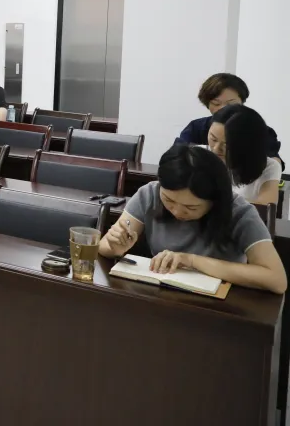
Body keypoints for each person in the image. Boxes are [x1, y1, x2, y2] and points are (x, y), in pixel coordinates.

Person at [99, 143, 286, 295]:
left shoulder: (239, 212)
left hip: (220, 306)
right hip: (161, 296)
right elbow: (104, 246)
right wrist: (115, 247)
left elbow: (276, 279)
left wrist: (192, 261)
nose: (177, 211)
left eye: (191, 207)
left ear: (215, 201)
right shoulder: (149, 194)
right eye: (169, 200)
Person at [177, 73, 281, 161]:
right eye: (216, 103)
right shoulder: (196, 128)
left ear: (242, 102)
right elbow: (176, 156)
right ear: (207, 104)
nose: (223, 109)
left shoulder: (261, 130)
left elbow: (274, 161)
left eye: (231, 104)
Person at [208, 105, 282, 205]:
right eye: (213, 139)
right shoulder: (198, 156)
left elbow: (265, 207)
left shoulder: (268, 166)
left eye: (227, 144)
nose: (216, 149)